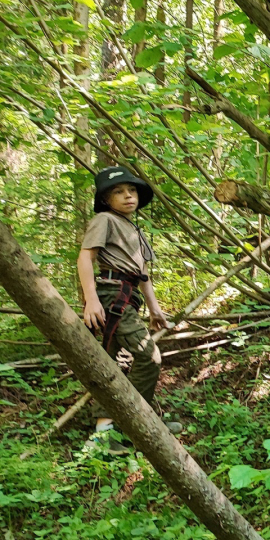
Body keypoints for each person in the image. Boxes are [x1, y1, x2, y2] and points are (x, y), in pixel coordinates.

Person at [76, 165, 177, 445]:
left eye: (132, 190)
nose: (128, 196)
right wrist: (91, 299)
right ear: (106, 200)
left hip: (128, 297)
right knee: (149, 355)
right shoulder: (104, 220)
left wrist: (155, 309)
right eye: (118, 192)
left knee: (115, 362)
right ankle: (137, 424)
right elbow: (86, 258)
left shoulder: (134, 229)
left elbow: (142, 274)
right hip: (111, 294)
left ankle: (105, 432)